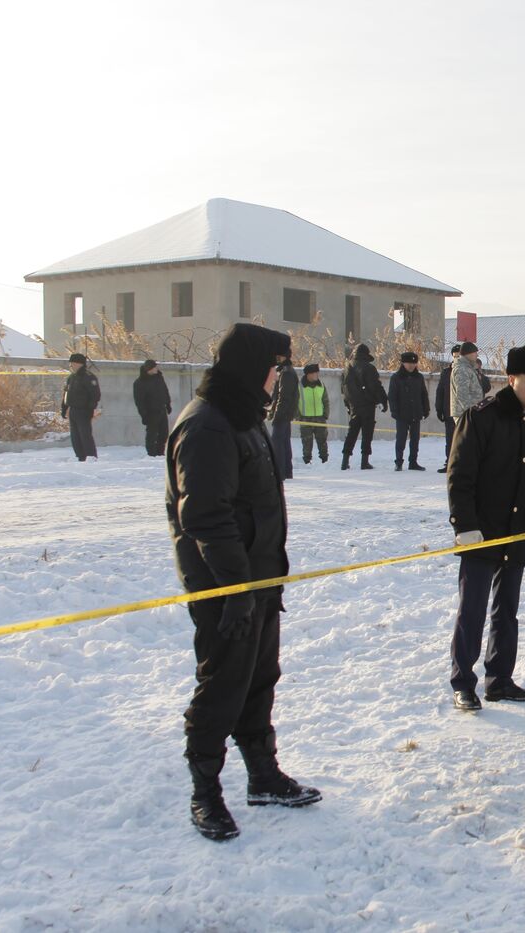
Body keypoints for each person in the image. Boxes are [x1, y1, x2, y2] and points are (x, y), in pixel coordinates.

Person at [166, 322, 321, 842]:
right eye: (276, 368)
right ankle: (205, 792)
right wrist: (235, 592)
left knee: (258, 679)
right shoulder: (207, 425)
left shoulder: (241, 417)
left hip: (258, 581)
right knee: (222, 686)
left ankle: (262, 775)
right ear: (254, 370)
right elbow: (207, 519)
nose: (280, 377)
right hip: (226, 588)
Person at [447, 345, 525, 711]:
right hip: (482, 530)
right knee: (473, 610)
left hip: (519, 530)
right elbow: (460, 476)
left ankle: (500, 679)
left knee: (506, 610)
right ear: (511, 379)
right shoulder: (482, 417)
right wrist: (464, 525)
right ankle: (464, 682)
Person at [341, 344, 387, 471]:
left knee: (352, 432)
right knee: (367, 433)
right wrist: (383, 400)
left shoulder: (347, 368)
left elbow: (343, 389)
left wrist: (348, 404)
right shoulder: (369, 368)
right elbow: (375, 386)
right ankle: (364, 461)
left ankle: (345, 461)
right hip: (367, 405)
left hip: (354, 405)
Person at [388, 351, 430, 471]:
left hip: (416, 413)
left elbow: (423, 395)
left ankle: (413, 462)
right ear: (403, 363)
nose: (411, 366)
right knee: (401, 439)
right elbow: (392, 396)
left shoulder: (419, 377)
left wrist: (426, 409)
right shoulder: (396, 378)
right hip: (402, 414)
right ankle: (399, 462)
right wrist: (394, 411)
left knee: (415, 439)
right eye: (408, 363)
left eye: (413, 363)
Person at [61, 352, 101, 462]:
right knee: (75, 437)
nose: (70, 366)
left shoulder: (88, 377)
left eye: (72, 363)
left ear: (79, 364)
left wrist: (90, 409)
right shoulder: (71, 378)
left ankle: (91, 457)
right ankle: (80, 457)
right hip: (73, 410)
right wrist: (64, 409)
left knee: (85, 435)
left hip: (84, 411)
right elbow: (66, 394)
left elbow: (95, 395)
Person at [268, 352, 298, 480]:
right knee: (284, 443)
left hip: (282, 414)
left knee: (277, 443)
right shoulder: (285, 371)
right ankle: (286, 471)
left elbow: (283, 397)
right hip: (285, 413)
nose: (276, 358)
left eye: (279, 356)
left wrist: (277, 414)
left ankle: (280, 472)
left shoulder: (286, 373)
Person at [132, 359, 172, 457]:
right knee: (152, 434)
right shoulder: (140, 383)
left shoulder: (159, 378)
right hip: (151, 412)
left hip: (161, 409)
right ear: (149, 369)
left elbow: (165, 391)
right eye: (154, 367)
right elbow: (139, 401)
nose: (156, 369)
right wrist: (143, 415)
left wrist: (168, 404)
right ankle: (151, 454)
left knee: (164, 434)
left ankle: (160, 452)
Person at [434, 344, 461, 472]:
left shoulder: (470, 371)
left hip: (464, 412)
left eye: (459, 356)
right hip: (449, 411)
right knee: (450, 439)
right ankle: (449, 463)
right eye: (455, 356)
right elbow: (440, 391)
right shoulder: (446, 373)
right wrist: (439, 408)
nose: (457, 359)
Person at [450, 341, 485, 434]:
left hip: (470, 413)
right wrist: (471, 413)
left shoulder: (468, 368)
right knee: (467, 443)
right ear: (468, 354)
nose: (477, 355)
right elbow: (462, 394)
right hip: (464, 414)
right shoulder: (462, 369)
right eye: (475, 353)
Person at [298, 364, 330, 464]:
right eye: (314, 373)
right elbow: (294, 401)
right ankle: (307, 461)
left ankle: (324, 460)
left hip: (320, 418)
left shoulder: (321, 385)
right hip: (305, 418)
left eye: (317, 373)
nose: (317, 375)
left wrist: (325, 414)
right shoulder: (300, 386)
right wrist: (298, 416)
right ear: (308, 374)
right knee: (307, 442)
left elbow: (325, 400)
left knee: (322, 440)